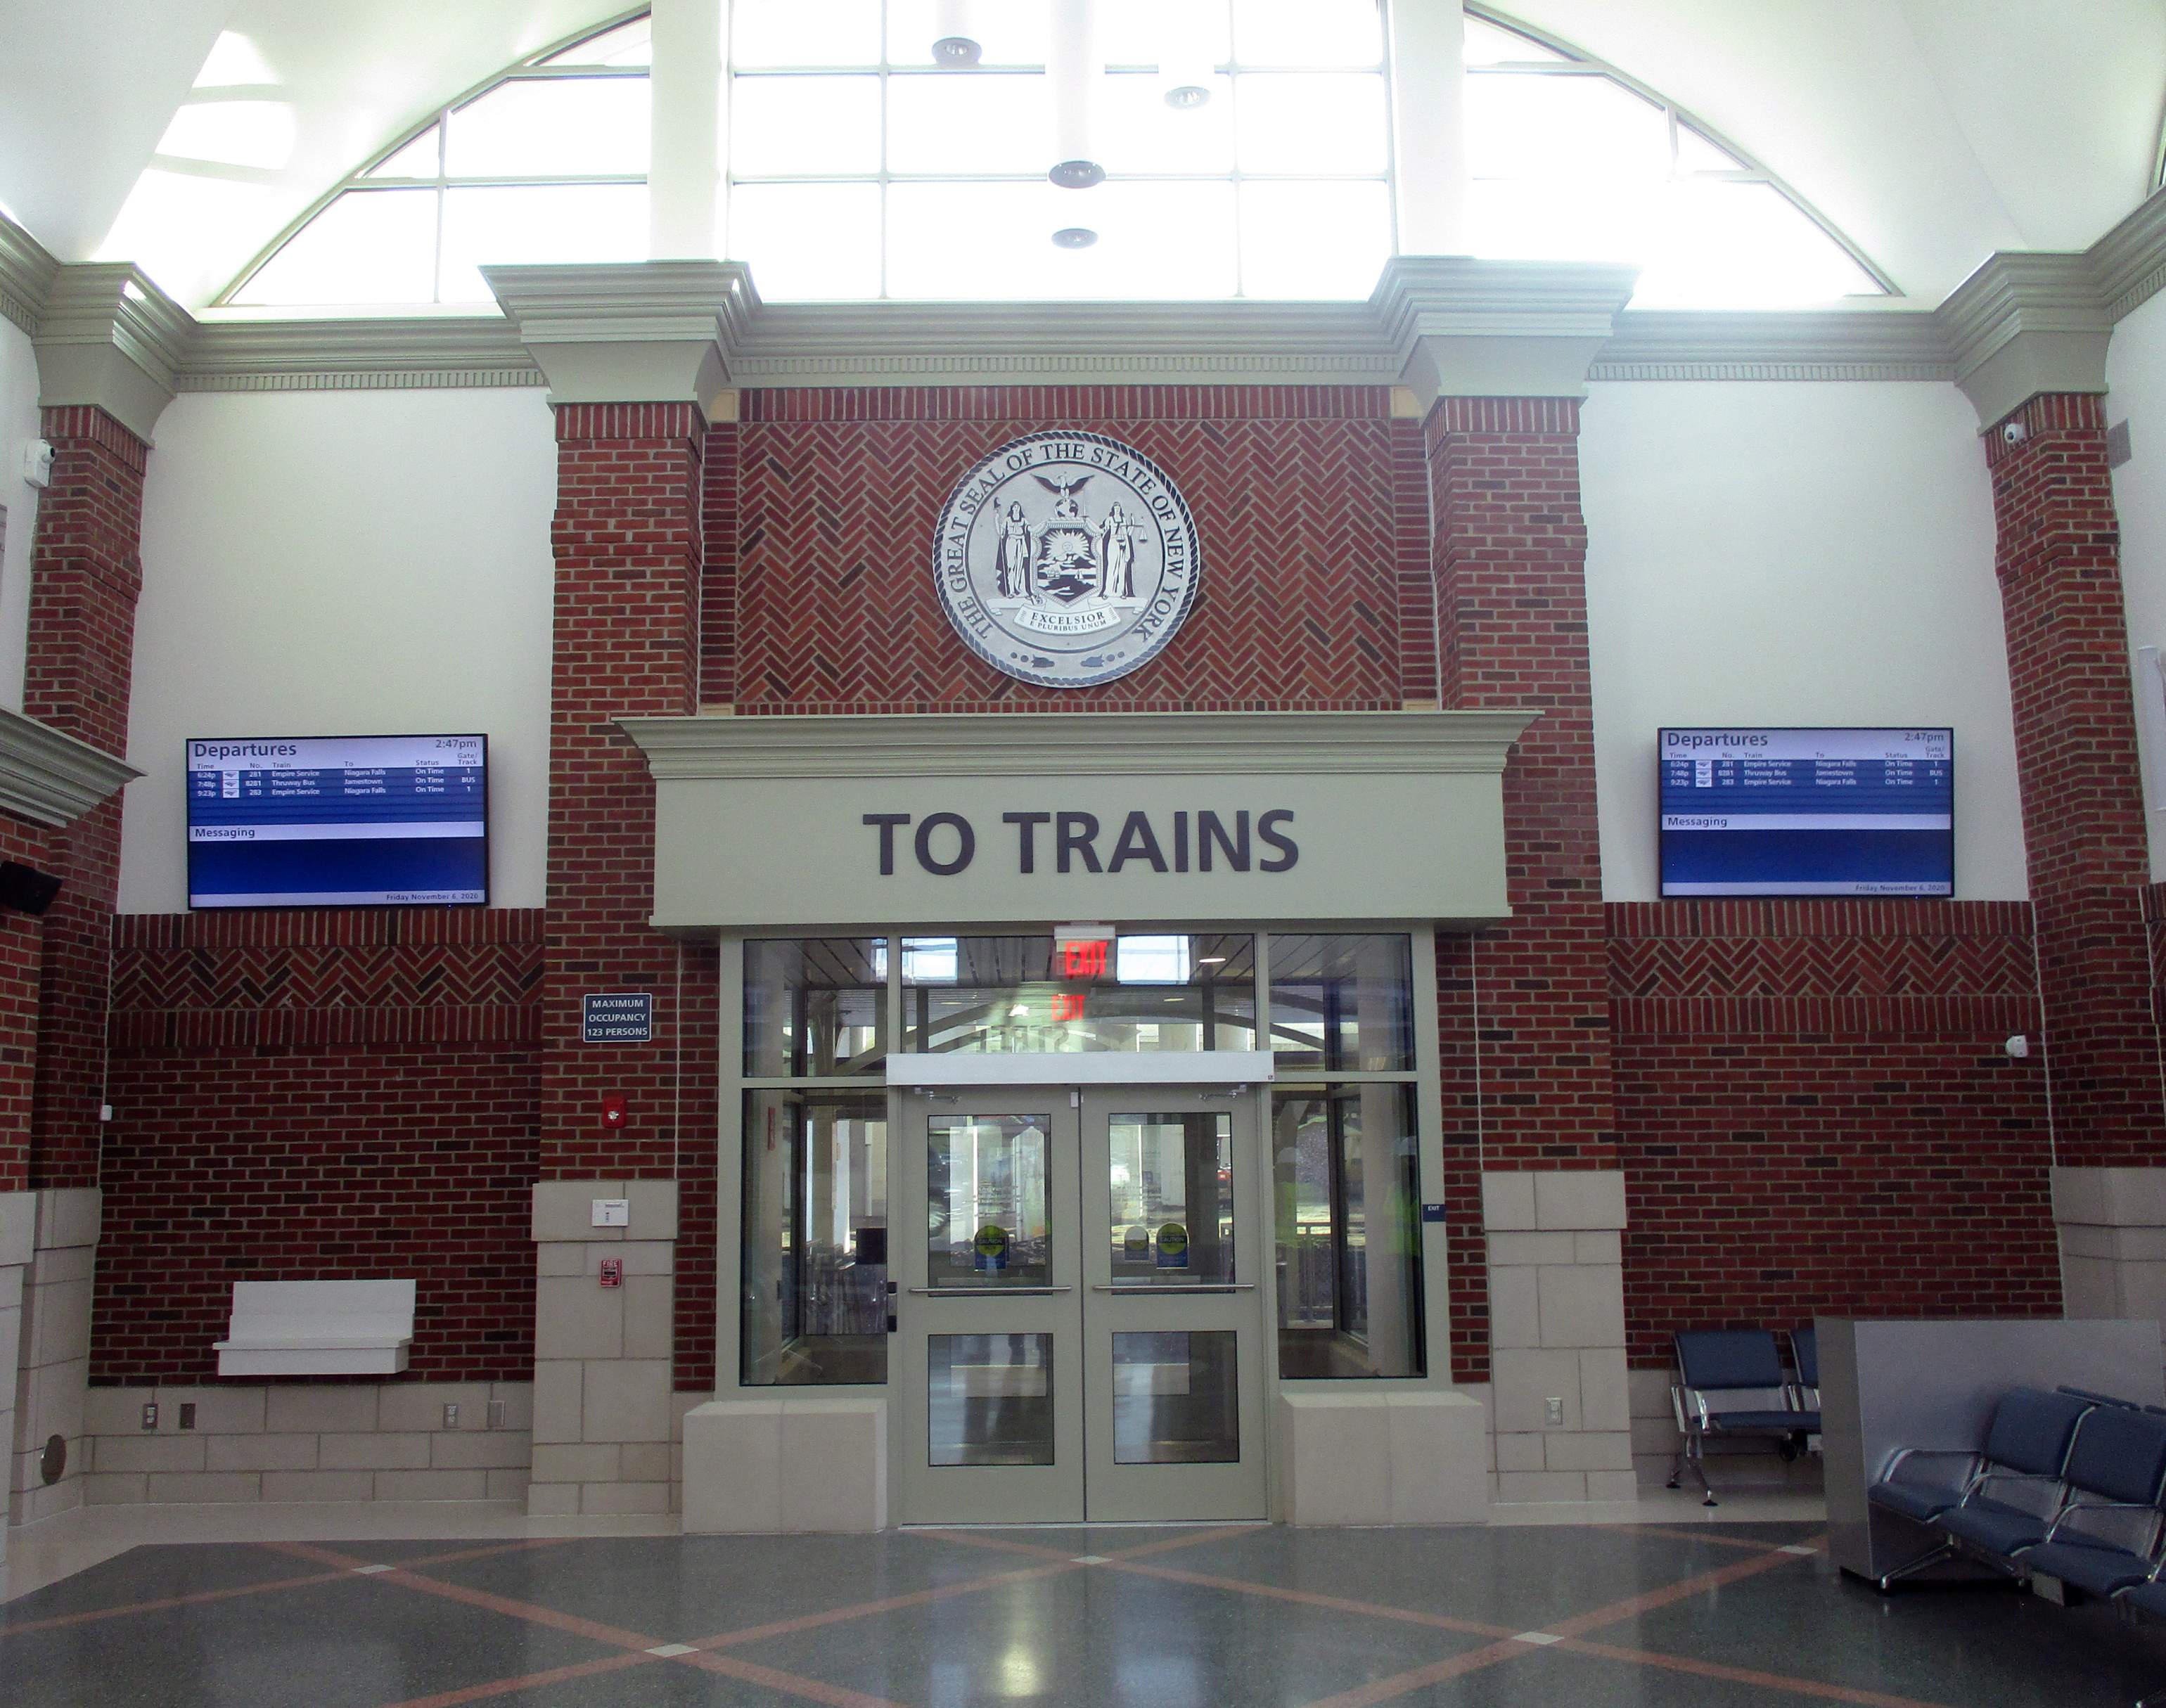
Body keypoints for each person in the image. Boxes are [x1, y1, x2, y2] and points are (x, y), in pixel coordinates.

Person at [993, 501, 1033, 600]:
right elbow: (1001, 533)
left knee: (1020, 567)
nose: (1016, 508)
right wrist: (996, 520)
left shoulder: (1023, 521)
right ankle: (1011, 591)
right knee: (1011, 566)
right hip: (1011, 542)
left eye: (1018, 507)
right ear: (1012, 509)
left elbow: (1030, 530)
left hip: (1021, 543)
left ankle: (1020, 589)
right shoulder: (1007, 520)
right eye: (1015, 507)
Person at [1098, 503, 1137, 601]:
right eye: (1115, 508)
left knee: (1122, 568)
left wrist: (1133, 523)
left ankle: (1121, 592)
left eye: (1118, 508)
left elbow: (1128, 533)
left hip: (1123, 543)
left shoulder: (1124, 520)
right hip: (1113, 543)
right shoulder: (1109, 520)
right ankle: (1108, 591)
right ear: (1113, 509)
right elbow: (1103, 531)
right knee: (1111, 566)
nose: (1117, 510)